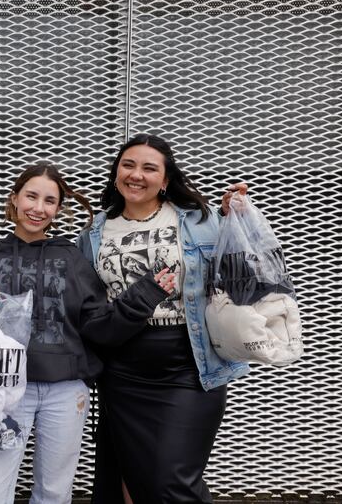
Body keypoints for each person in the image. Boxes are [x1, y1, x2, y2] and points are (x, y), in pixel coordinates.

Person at [0, 163, 176, 504]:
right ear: (14, 199)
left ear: (58, 209)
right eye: (31, 196)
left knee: (53, 493)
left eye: (49, 201)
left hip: (65, 391)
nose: (38, 208)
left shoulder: (73, 258)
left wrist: (144, 296)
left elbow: (99, 325)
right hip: (1, 387)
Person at [76, 134, 251, 504]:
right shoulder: (94, 233)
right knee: (131, 478)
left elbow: (235, 267)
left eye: (149, 168)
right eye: (128, 165)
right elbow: (88, 305)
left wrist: (231, 217)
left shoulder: (198, 221)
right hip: (122, 371)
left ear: (166, 179)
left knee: (172, 482)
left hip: (188, 365)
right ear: (115, 173)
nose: (136, 175)